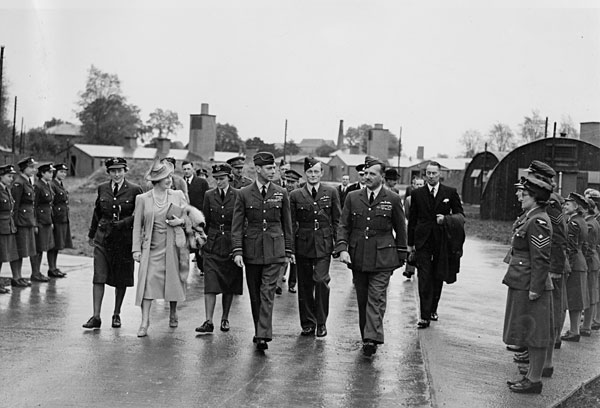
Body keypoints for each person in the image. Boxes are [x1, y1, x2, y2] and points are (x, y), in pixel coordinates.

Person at [336, 156, 407, 356]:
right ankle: (367, 335)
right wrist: (342, 248)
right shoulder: (353, 197)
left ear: (382, 177)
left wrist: (402, 254)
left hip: (383, 257)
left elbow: (401, 228)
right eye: (365, 173)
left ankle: (371, 339)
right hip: (358, 255)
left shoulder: (392, 198)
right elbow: (344, 225)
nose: (367, 177)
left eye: (372, 174)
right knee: (363, 299)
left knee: (375, 297)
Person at [231, 151, 293, 351]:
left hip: (275, 249)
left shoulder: (281, 192)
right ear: (258, 169)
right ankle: (260, 328)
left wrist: (289, 250)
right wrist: (238, 251)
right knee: (255, 293)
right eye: (269, 168)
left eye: (274, 168)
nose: (273, 171)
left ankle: (263, 334)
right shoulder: (244, 193)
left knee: (267, 291)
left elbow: (287, 223)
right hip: (252, 249)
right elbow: (237, 225)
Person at [503, 176, 554, 394]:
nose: (521, 197)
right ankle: (531, 376)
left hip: (532, 284)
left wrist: (536, 288)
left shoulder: (539, 220)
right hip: (522, 281)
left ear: (535, 199)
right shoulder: (530, 217)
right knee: (529, 332)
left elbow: (540, 257)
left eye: (525, 195)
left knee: (536, 333)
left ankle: (534, 380)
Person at [132, 158, 190, 337]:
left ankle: (173, 312)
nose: (169, 180)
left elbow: (189, 217)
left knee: (172, 282)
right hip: (152, 247)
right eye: (166, 177)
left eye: (170, 176)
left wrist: (180, 221)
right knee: (148, 283)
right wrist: (136, 249)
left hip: (173, 246)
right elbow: (137, 226)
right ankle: (144, 321)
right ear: (156, 180)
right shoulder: (142, 198)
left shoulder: (178, 194)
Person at [83, 158, 143, 330]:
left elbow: (139, 214)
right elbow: (97, 212)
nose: (117, 174)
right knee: (98, 276)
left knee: (121, 278)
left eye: (120, 170)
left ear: (125, 170)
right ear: (108, 172)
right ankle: (96, 316)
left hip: (124, 240)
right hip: (103, 237)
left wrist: (125, 223)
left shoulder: (134, 190)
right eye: (113, 171)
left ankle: (116, 313)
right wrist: (92, 234)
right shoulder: (102, 188)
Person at [407, 161, 464, 329]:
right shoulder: (417, 194)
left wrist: (445, 219)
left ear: (440, 174)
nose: (431, 176)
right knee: (424, 277)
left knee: (438, 276)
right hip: (423, 241)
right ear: (425, 175)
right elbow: (412, 221)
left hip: (442, 241)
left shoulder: (450, 193)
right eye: (428, 173)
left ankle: (433, 309)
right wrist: (410, 245)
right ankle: (424, 316)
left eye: (434, 173)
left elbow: (461, 215)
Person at [290, 157, 341, 337]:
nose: (313, 175)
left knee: (320, 281)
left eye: (316, 172)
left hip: (324, 243)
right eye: (310, 172)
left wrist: (339, 244)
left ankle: (321, 322)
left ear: (322, 173)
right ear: (305, 173)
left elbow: (337, 220)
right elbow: (291, 224)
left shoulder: (331, 192)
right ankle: (308, 323)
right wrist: (290, 249)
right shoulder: (295, 195)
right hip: (302, 243)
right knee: (304, 285)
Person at [195, 163, 243, 334]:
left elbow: (241, 221)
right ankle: (208, 321)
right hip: (213, 244)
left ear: (229, 178)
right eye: (216, 179)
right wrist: (201, 241)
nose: (219, 182)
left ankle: (225, 318)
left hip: (231, 244)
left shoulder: (238, 195)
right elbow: (204, 220)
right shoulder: (209, 195)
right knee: (211, 284)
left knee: (229, 283)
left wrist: (239, 247)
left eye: (222, 179)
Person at [561, 192, 589, 342]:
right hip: (581, 262)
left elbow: (571, 248)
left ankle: (573, 331)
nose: (564, 206)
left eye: (568, 204)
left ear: (576, 207)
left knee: (572, 299)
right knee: (576, 299)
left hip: (574, 264)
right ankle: (574, 329)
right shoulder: (581, 221)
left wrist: (568, 267)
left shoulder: (573, 223)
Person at [11, 157, 40, 285]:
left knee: (23, 250)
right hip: (21, 221)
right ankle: (16, 277)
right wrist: (14, 223)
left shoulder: (27, 181)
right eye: (31, 167)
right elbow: (15, 205)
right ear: (24, 169)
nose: (34, 170)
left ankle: (19, 276)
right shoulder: (19, 183)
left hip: (28, 221)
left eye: (34, 167)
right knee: (18, 250)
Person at [182, 160, 209, 274]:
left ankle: (202, 267)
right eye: (184, 169)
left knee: (200, 243)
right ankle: (184, 270)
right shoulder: (179, 183)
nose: (187, 171)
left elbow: (207, 200)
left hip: (198, 218)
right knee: (185, 243)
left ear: (192, 169)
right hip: (184, 217)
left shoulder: (201, 182)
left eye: (188, 169)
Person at [47, 163, 72, 277]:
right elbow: (50, 203)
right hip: (55, 217)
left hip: (62, 217)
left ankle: (54, 267)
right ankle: (51, 268)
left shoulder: (60, 184)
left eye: (65, 172)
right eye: (61, 171)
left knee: (58, 243)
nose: (63, 174)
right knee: (53, 244)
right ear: (55, 172)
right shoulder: (52, 184)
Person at [31, 163, 56, 280]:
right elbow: (33, 206)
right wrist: (35, 223)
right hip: (40, 221)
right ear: (42, 173)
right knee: (38, 248)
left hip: (46, 220)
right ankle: (35, 273)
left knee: (43, 247)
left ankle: (38, 272)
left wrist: (50, 220)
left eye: (52, 172)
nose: (51, 174)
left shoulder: (47, 185)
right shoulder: (38, 186)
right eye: (49, 172)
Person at [581, 198, 600, 336]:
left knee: (589, 292)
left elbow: (586, 247)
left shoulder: (589, 224)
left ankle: (587, 325)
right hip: (593, 259)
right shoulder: (593, 221)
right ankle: (590, 322)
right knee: (591, 291)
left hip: (589, 260)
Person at [0, 164, 20, 293]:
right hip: (1, 226)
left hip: (7, 226)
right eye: (8, 176)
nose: (11, 179)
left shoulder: (6, 189)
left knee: (2, 256)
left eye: (12, 176)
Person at [282, 169, 301, 293]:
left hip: (296, 230)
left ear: (297, 183)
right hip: (282, 229)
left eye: (292, 182)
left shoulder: (300, 195)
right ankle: (279, 280)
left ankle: (292, 283)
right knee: (281, 256)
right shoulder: (280, 194)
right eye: (288, 181)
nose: (290, 184)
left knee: (295, 258)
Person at [403, 176, 425, 280]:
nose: (419, 186)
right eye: (417, 184)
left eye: (421, 184)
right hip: (412, 226)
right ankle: (409, 269)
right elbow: (407, 213)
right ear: (413, 185)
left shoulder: (427, 198)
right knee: (411, 248)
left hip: (423, 227)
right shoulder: (409, 199)